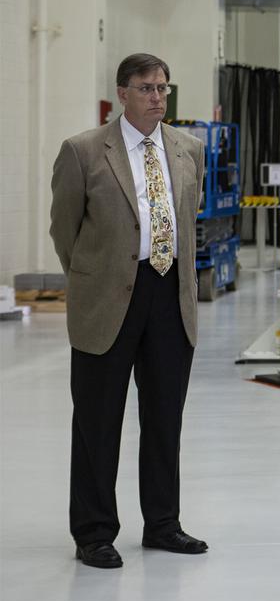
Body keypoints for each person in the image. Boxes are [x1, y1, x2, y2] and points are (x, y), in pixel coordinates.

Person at [50, 53, 208, 569]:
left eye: (163, 87)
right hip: (108, 299)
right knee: (98, 421)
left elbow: (189, 218)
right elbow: (65, 231)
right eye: (146, 88)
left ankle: (163, 524)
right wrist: (97, 275)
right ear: (122, 93)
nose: (158, 97)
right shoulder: (84, 151)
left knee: (165, 418)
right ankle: (94, 532)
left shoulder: (189, 150)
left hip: (170, 296)